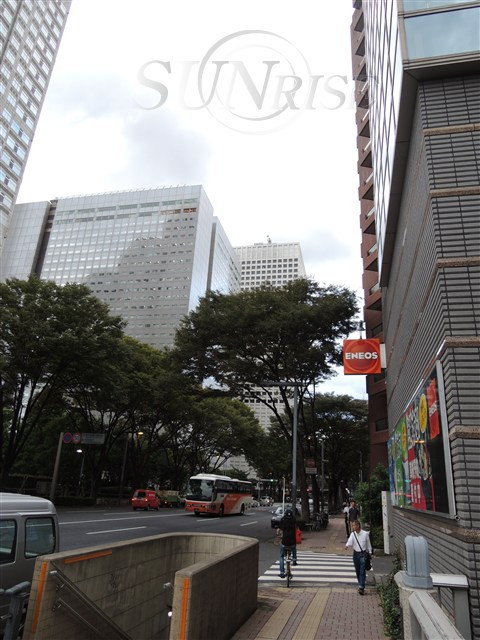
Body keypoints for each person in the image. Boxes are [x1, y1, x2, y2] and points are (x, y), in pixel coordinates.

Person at [345, 520, 372, 595]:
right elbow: (350, 541)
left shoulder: (365, 534)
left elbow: (368, 543)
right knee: (358, 570)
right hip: (355, 554)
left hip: (363, 554)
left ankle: (361, 587)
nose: (353, 527)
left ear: (358, 526)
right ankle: (360, 584)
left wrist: (370, 552)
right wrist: (347, 545)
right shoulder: (353, 534)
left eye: (354, 525)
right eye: (352, 526)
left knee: (362, 571)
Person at [276, 507, 297, 578]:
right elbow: (297, 527)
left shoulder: (283, 520)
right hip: (292, 541)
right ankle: (294, 560)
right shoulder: (294, 520)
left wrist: (278, 534)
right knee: (294, 548)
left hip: (284, 542)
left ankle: (282, 572)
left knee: (281, 556)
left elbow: (279, 529)